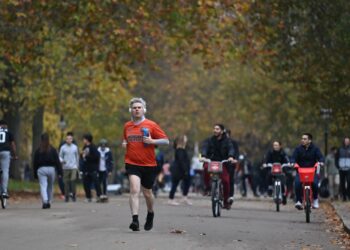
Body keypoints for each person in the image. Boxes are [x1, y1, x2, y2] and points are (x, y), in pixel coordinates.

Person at [122, 97, 169, 231]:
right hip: (132, 163)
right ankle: (135, 220)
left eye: (139, 107)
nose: (137, 109)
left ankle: (150, 213)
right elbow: (125, 139)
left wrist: (152, 141)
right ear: (131, 110)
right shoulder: (127, 126)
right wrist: (124, 143)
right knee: (134, 190)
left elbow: (166, 141)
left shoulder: (151, 125)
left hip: (148, 164)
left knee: (147, 193)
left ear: (144, 110)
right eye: (134, 108)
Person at [201, 124, 236, 209]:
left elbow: (231, 148)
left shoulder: (227, 141)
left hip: (223, 163)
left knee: (226, 181)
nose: (215, 130)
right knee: (205, 168)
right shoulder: (209, 140)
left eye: (217, 129)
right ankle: (208, 188)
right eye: (214, 129)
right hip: (211, 161)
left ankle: (226, 201)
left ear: (222, 131)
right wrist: (203, 156)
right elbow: (205, 147)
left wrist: (231, 156)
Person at [291, 133, 324, 210]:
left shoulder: (315, 149)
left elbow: (321, 157)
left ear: (310, 140)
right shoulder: (298, 149)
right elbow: (293, 158)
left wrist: (321, 162)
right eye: (302, 138)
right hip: (301, 171)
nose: (302, 140)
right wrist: (293, 162)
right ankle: (299, 201)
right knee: (297, 184)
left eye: (305, 139)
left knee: (315, 184)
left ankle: (315, 200)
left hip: (312, 171)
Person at [33, 133, 62, 209]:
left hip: (41, 169)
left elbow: (35, 163)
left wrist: (35, 173)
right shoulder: (52, 149)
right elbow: (57, 161)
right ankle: (49, 201)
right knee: (50, 186)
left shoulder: (38, 150)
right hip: (51, 169)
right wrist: (60, 172)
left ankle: (45, 201)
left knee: (43, 185)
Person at [168, 135, 192, 205]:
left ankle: (184, 198)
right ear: (182, 140)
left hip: (181, 170)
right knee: (175, 184)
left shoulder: (182, 149)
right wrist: (185, 170)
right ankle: (171, 199)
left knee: (187, 182)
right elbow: (181, 161)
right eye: (185, 138)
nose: (186, 139)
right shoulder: (180, 150)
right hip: (179, 170)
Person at [80, 133, 101, 202]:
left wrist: (87, 156)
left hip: (93, 168)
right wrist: (82, 156)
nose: (83, 140)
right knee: (86, 183)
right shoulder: (84, 147)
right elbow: (83, 157)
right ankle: (88, 197)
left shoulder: (93, 147)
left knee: (96, 182)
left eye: (84, 139)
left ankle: (99, 196)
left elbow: (96, 157)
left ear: (87, 140)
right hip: (86, 168)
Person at [59, 133, 79, 202]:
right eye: (67, 139)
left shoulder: (75, 147)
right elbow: (60, 156)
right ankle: (67, 196)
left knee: (73, 180)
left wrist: (77, 166)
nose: (69, 140)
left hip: (73, 167)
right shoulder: (63, 147)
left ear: (72, 140)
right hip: (65, 167)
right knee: (66, 182)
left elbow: (77, 157)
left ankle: (73, 194)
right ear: (66, 140)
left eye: (70, 139)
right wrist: (62, 161)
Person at [0, 120, 17, 198]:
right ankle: (4, 191)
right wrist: (14, 155)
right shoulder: (9, 132)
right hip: (5, 152)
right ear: (6, 126)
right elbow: (13, 144)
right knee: (5, 171)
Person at [226, 129, 239, 202]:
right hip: (222, 163)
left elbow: (236, 152)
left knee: (230, 179)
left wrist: (235, 159)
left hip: (231, 163)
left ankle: (231, 196)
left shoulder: (233, 143)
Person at [335, 137, 350, 201]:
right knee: (342, 183)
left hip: (349, 169)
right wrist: (338, 166)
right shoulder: (339, 149)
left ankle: (348, 195)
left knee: (349, 182)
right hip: (341, 169)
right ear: (344, 142)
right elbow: (336, 158)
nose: (347, 142)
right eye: (346, 141)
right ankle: (344, 196)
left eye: (348, 141)